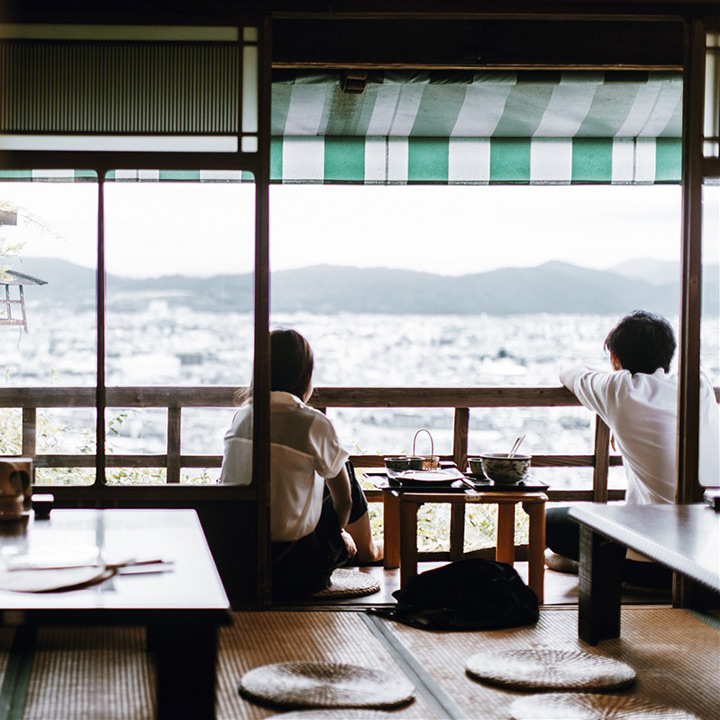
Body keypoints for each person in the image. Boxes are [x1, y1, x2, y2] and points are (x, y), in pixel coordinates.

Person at [546, 310, 720, 588]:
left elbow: (569, 372)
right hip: (713, 554)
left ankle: (600, 568)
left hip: (664, 563)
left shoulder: (620, 388)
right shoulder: (697, 383)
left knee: (549, 521)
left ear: (616, 360)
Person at [220, 328, 382, 599]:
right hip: (297, 568)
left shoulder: (243, 416)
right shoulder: (313, 423)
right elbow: (345, 501)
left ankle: (367, 547)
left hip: (241, 560)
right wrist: (336, 535)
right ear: (304, 375)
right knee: (343, 471)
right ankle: (369, 549)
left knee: (318, 471)